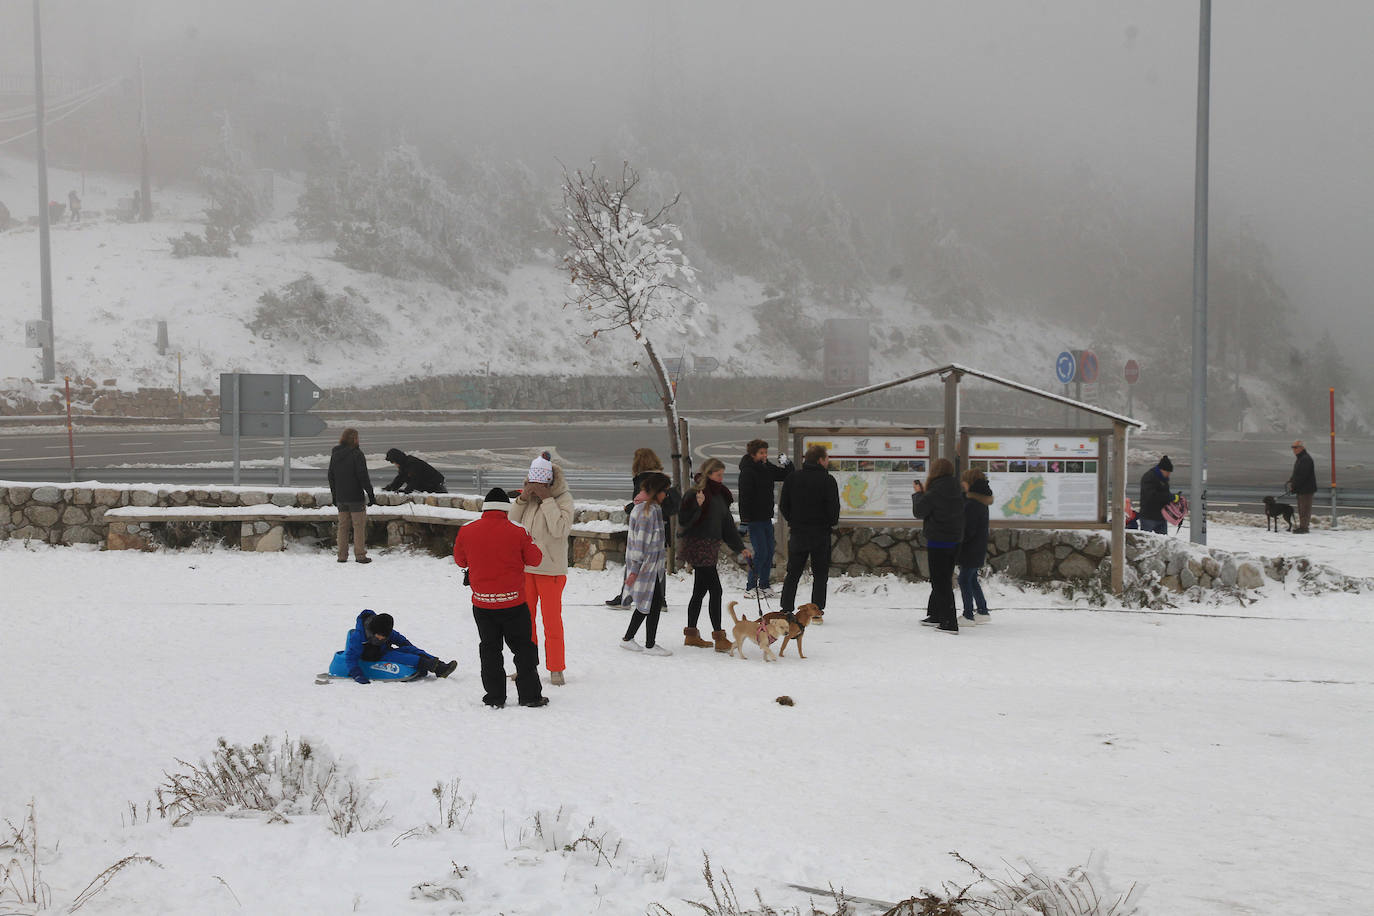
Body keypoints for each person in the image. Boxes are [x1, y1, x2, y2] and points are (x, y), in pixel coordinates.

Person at [453, 488, 548, 708]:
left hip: (482, 603)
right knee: (523, 648)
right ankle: (530, 696)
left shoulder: (467, 530)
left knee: (489, 650)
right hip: (514, 602)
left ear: (485, 507)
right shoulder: (517, 530)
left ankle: (495, 697)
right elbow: (535, 560)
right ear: (506, 508)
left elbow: (460, 561)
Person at [508, 452, 575, 685]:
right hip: (526, 570)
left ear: (548, 482)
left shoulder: (563, 499)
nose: (535, 487)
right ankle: (526, 666)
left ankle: (556, 669)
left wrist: (547, 500)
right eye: (531, 482)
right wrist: (522, 498)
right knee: (525, 624)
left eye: (539, 484)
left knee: (552, 622)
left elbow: (559, 529)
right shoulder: (528, 499)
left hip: (551, 572)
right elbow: (511, 524)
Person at [678, 457, 752, 652]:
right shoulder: (695, 494)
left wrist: (740, 547)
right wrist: (698, 506)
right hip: (697, 546)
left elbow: (727, 526)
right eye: (718, 474)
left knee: (700, 592)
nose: (721, 478)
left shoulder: (720, 496)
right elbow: (684, 520)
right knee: (716, 591)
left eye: (722, 474)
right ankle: (719, 638)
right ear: (708, 474)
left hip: (710, 547)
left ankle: (691, 635)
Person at [606, 448, 680, 607]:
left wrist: (629, 508)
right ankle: (660, 599)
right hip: (661, 528)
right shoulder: (663, 478)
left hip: (644, 529)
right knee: (658, 565)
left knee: (634, 562)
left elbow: (642, 505)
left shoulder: (643, 480)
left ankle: (625, 596)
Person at [778, 444, 841, 621]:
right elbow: (833, 509)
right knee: (820, 574)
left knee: (793, 572)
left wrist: (794, 520)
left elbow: (783, 505)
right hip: (820, 533)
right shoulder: (828, 481)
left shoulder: (793, 478)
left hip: (798, 532)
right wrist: (828, 522)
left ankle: (786, 608)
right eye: (827, 458)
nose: (828, 462)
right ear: (820, 460)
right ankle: (817, 610)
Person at [619, 472, 674, 656]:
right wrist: (634, 570)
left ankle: (632, 639)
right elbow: (640, 543)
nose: (666, 495)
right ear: (657, 491)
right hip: (644, 566)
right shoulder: (645, 512)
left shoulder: (654, 509)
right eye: (665, 491)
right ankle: (646, 644)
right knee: (649, 602)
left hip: (652, 566)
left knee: (650, 603)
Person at [912, 457, 965, 633]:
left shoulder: (934, 492)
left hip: (938, 541)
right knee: (943, 578)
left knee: (940, 581)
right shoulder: (957, 489)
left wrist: (919, 493)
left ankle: (949, 622)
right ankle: (935, 614)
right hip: (954, 540)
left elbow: (919, 511)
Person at [737, 438, 792, 599]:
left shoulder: (766, 467)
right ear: (753, 454)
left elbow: (784, 475)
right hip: (753, 520)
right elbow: (744, 498)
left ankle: (765, 585)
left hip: (766, 518)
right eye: (761, 453)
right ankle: (750, 587)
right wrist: (744, 520)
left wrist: (787, 462)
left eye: (766, 452)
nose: (765, 455)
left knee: (768, 552)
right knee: (760, 552)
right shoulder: (747, 471)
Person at [343, 609, 456, 683]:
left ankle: (440, 666)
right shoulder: (359, 637)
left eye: (385, 636)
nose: (382, 638)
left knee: (409, 651)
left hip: (384, 651)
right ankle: (430, 666)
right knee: (403, 657)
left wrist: (412, 649)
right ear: (373, 631)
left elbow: (400, 640)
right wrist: (357, 675)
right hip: (373, 657)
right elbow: (350, 657)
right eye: (380, 636)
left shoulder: (385, 631)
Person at [328, 428, 376, 563]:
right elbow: (363, 477)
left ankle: (342, 556)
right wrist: (371, 494)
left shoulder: (335, 454)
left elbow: (331, 476)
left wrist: (334, 496)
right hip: (355, 497)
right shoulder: (357, 454)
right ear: (354, 439)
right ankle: (360, 555)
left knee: (342, 527)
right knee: (358, 526)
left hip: (341, 498)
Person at [957, 468, 995, 623]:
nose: (962, 485)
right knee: (971, 579)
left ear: (969, 484)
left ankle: (968, 615)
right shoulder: (980, 502)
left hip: (970, 550)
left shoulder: (972, 505)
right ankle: (982, 611)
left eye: (964, 482)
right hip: (977, 549)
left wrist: (958, 541)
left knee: (964, 580)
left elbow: (968, 530)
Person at [382, 448, 447, 493]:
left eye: (393, 462)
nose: (394, 464)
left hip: (435, 485)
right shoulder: (404, 465)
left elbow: (415, 479)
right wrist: (390, 488)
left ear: (397, 459)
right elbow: (400, 479)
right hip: (427, 485)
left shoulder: (412, 463)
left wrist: (406, 491)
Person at [1286, 440, 1317, 534]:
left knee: (1305, 509)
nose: (1293, 449)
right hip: (1302, 489)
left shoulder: (1305, 459)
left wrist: (1294, 486)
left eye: (1295, 447)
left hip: (1306, 489)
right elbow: (1297, 473)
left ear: (1301, 448)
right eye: (1292, 447)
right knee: (1302, 509)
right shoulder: (1301, 458)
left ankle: (1304, 528)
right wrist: (1291, 480)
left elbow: (1302, 476)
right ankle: (1302, 526)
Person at [1138, 455, 1174, 535]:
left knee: (1163, 542)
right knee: (1146, 541)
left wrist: (1172, 499)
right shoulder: (1149, 477)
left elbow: (1164, 494)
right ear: (1162, 470)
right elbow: (1151, 496)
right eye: (1168, 472)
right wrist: (1169, 497)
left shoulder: (1164, 479)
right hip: (1148, 516)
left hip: (1162, 516)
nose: (1169, 475)